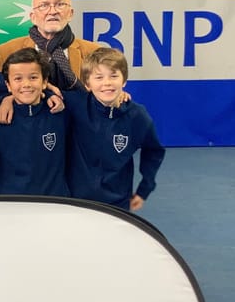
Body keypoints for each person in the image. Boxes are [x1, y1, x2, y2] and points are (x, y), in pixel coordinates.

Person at [66, 47, 165, 212]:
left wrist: (145, 188)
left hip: (117, 202)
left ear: (124, 80)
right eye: (99, 77)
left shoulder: (137, 116)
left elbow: (153, 151)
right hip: (76, 200)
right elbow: (41, 93)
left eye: (114, 76)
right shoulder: (75, 106)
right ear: (87, 84)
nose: (107, 83)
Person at [0, 48, 70, 197]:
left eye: (33, 77)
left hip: (55, 202)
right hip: (10, 202)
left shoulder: (61, 110)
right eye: (18, 79)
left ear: (45, 82)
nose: (26, 84)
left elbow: (96, 100)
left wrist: (49, 94)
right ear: (8, 85)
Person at [0, 0, 99, 91]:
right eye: (44, 6)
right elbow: (0, 92)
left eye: (60, 4)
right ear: (33, 17)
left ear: (70, 14)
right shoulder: (6, 51)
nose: (52, 11)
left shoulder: (93, 51)